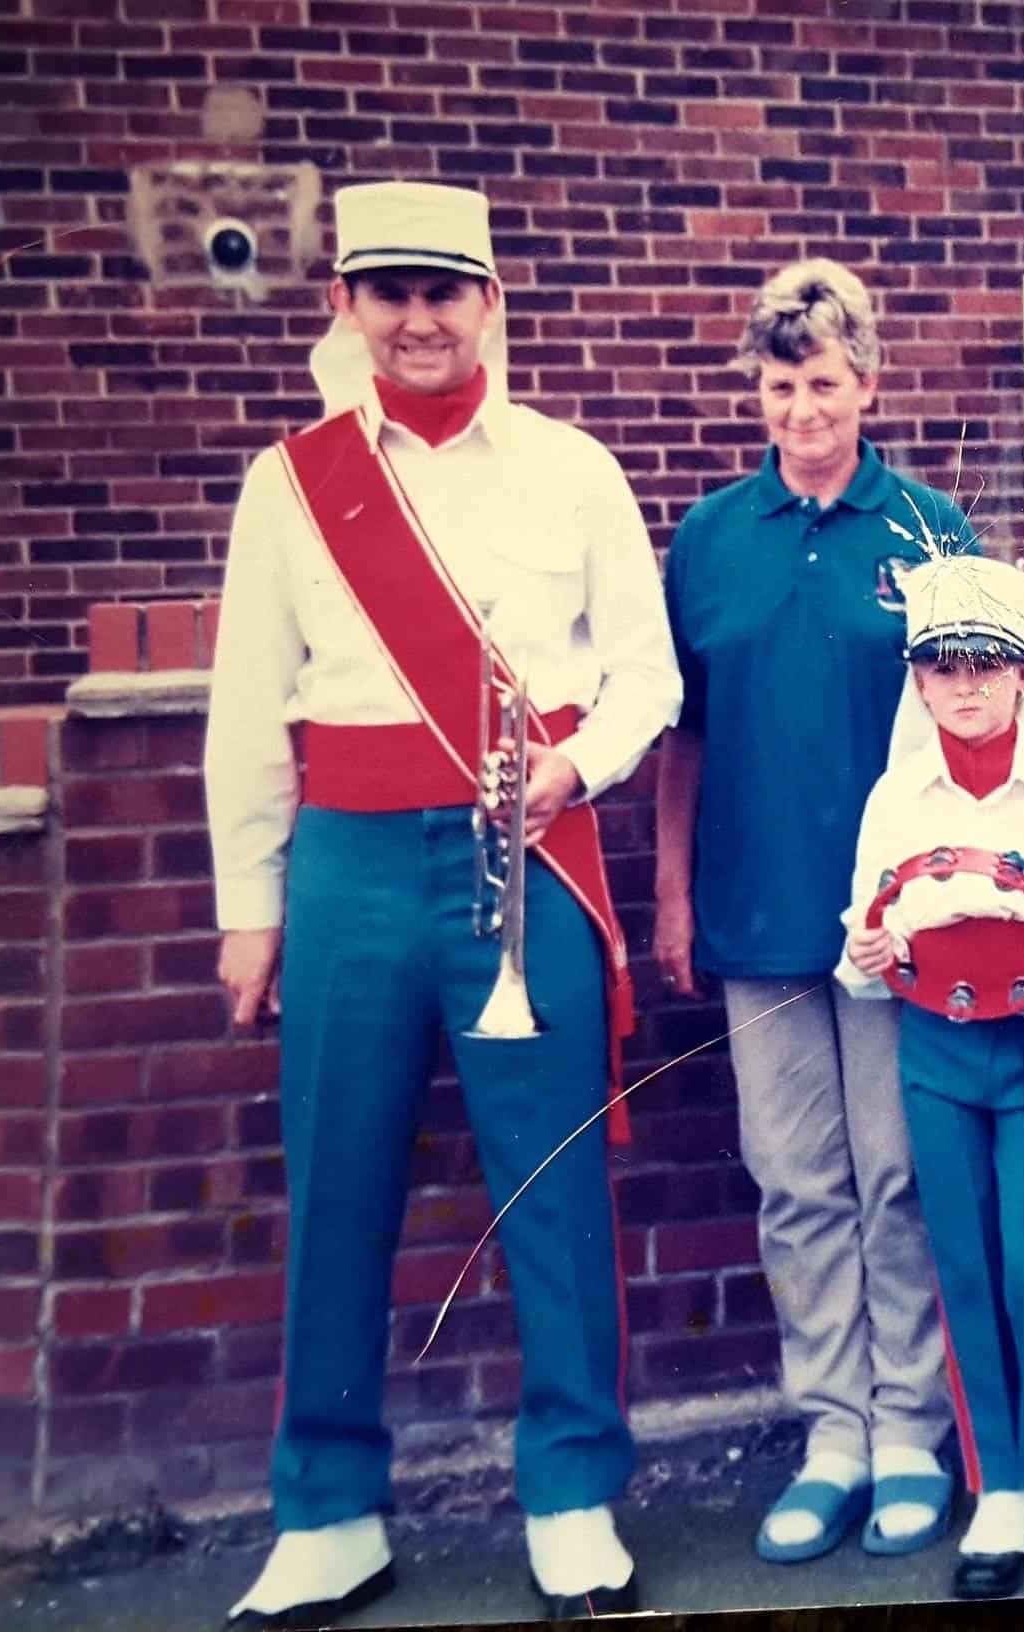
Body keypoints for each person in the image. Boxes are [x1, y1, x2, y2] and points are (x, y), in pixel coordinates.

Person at [204, 182, 679, 1626]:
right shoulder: (292, 482)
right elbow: (243, 709)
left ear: (491, 303)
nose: (419, 318)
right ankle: (329, 1509)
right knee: (338, 1182)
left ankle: (574, 1495)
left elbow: (648, 674)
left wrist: (575, 767)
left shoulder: (571, 466)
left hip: (521, 854)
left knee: (549, 1186)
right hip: (347, 861)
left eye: (445, 290)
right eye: (388, 290)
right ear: (346, 305)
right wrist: (250, 902)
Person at [653, 259, 1024, 1565]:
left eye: (829, 382)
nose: (806, 407)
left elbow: (997, 694)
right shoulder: (708, 540)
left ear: (869, 385)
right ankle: (833, 1437)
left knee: (900, 1178)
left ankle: (911, 1431)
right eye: (783, 383)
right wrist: (675, 890)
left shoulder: (928, 526)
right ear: (761, 390)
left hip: (914, 929)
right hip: (756, 911)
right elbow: (684, 736)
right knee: (797, 1185)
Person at [836, 553, 1024, 1599]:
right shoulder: (895, 797)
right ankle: (996, 1484)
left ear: (1023, 676)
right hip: (932, 1053)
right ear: (915, 682)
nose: (965, 687)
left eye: (988, 665)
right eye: (942, 667)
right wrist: (869, 959)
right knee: (961, 1264)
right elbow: (861, 938)